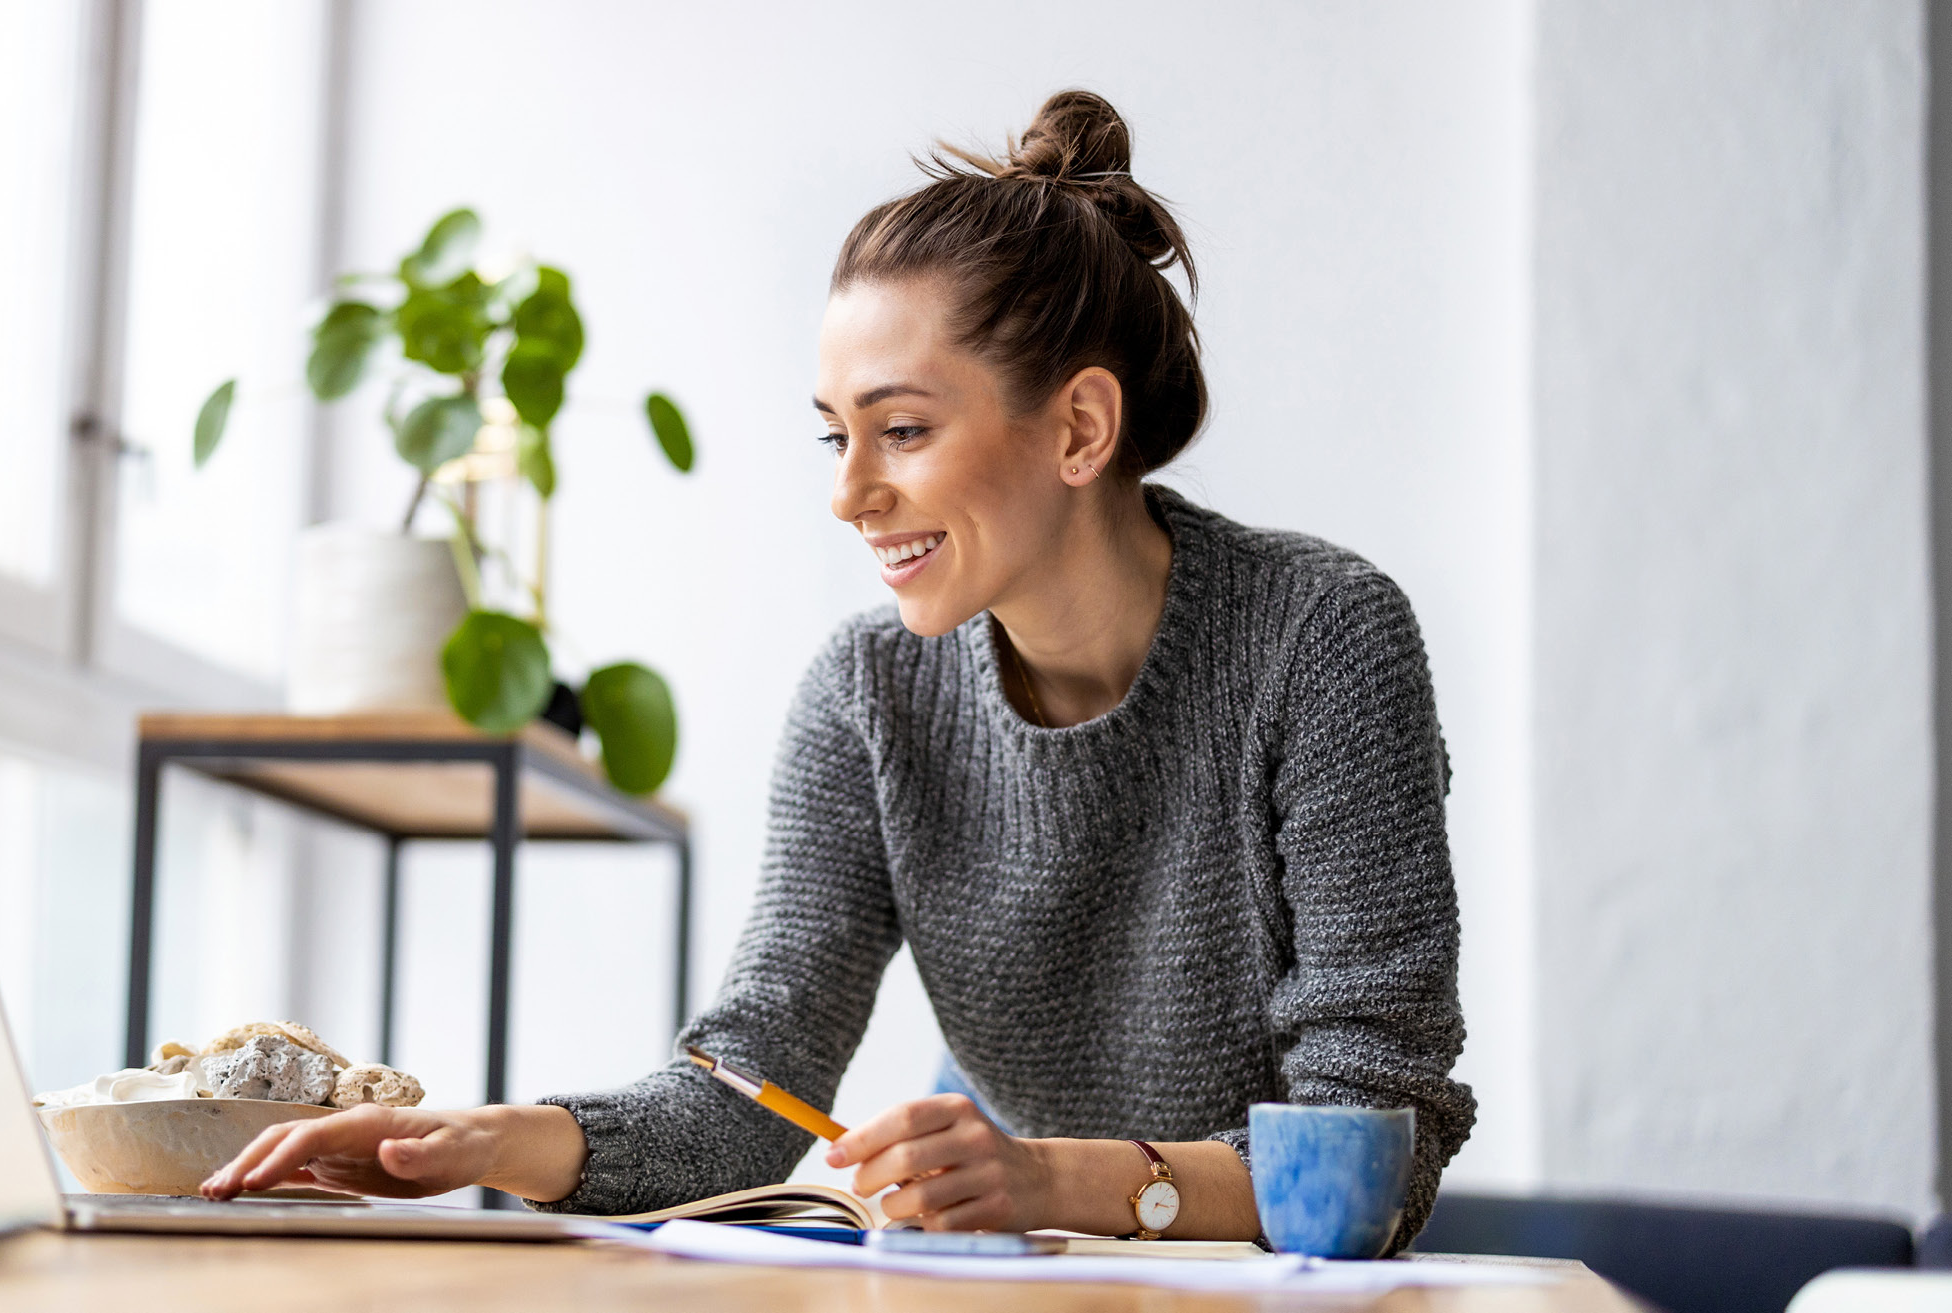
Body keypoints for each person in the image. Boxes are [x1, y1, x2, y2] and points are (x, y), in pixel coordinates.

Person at [202, 89, 1473, 1247]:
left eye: (902, 430)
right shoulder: (869, 693)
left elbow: (1370, 1155)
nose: (850, 494)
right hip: (1021, 1271)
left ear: (1079, 427)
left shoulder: (1322, 638)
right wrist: (492, 1142)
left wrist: (1044, 1179)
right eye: (834, 437)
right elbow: (754, 1086)